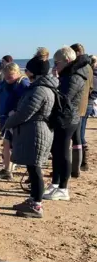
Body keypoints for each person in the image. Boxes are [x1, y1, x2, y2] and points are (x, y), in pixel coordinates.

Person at [5, 52, 56, 218]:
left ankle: (36, 206)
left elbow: (25, 113)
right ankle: (33, 199)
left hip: (37, 132)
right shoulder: (40, 87)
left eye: (27, 69)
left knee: (35, 170)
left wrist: (8, 123)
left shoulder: (39, 90)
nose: (25, 72)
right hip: (34, 131)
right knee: (32, 168)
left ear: (33, 72)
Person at [43, 46, 89, 201]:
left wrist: (55, 81)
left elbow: (64, 98)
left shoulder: (75, 76)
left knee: (63, 153)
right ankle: (55, 183)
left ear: (67, 61)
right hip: (61, 117)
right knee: (56, 152)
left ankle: (63, 188)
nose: (55, 66)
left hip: (68, 119)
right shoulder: (67, 73)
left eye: (57, 62)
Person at [0, 63, 30, 180]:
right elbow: (0, 103)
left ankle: (29, 171)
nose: (8, 77)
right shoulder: (3, 85)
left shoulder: (23, 84)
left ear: (18, 73)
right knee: (6, 144)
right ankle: (7, 170)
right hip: (5, 119)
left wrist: (16, 111)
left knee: (20, 146)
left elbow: (28, 102)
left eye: (11, 75)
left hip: (18, 120)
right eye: (5, 75)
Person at [70, 44, 94, 174]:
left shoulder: (79, 67)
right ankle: (82, 163)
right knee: (79, 134)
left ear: (77, 53)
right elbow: (91, 87)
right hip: (85, 104)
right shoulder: (89, 67)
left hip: (79, 105)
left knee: (77, 135)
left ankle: (80, 164)